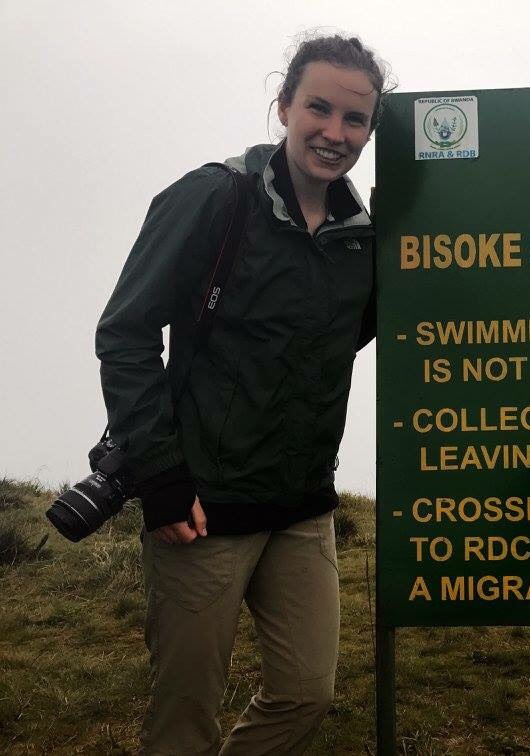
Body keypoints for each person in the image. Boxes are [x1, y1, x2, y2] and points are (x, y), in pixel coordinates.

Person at [95, 33, 387, 755]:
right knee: (183, 718)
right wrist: (161, 478)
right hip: (200, 510)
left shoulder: (363, 239)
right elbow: (126, 333)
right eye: (318, 108)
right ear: (284, 104)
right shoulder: (214, 197)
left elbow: (334, 345)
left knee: (307, 691)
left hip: (302, 510)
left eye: (356, 121)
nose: (335, 132)